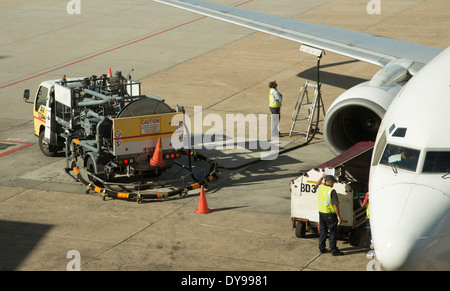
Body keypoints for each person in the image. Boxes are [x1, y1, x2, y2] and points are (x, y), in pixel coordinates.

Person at [315, 173, 344, 256]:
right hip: (330, 214)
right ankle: (333, 250)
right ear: (329, 181)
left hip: (321, 213)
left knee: (323, 231)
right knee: (333, 232)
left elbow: (316, 185)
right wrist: (339, 216)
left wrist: (321, 178)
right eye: (333, 182)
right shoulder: (332, 191)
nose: (334, 184)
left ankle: (322, 248)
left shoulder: (320, 188)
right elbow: (335, 205)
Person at [360, 192, 375, 256]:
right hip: (377, 216)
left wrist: (360, 202)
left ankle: (371, 247)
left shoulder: (368, 194)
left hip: (370, 217)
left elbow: (363, 205)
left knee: (369, 233)